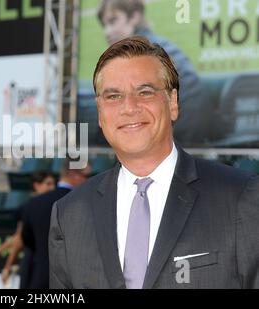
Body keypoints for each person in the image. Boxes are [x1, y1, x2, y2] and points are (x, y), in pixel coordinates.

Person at [49, 36, 259, 289]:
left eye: (145, 92)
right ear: (100, 113)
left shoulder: (242, 197)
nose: (129, 107)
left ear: (173, 103)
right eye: (113, 96)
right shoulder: (69, 213)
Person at [97, 0, 212, 144]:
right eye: (104, 25)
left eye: (113, 21)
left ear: (134, 17)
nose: (107, 31)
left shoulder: (140, 54)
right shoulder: (153, 46)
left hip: (181, 136)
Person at [22, 159, 92, 288]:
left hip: (40, 278)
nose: (89, 180)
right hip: (73, 281)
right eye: (86, 176)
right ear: (73, 173)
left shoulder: (34, 204)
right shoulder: (86, 204)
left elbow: (27, 240)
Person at [0, 171, 56, 287]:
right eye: (48, 184)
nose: (53, 188)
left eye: (53, 184)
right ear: (36, 185)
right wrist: (6, 265)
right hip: (34, 262)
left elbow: (17, 238)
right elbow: (18, 239)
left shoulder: (54, 206)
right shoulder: (29, 208)